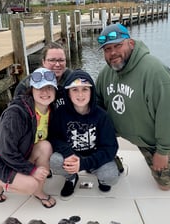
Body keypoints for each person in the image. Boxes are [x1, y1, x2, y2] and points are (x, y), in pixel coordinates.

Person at [96, 24, 170, 190]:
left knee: (165, 185)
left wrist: (163, 151)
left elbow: (168, 116)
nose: (113, 53)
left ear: (130, 43)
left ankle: (166, 155)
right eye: (107, 49)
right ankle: (110, 161)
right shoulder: (105, 74)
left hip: (154, 137)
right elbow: (98, 107)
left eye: (118, 45)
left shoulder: (155, 71)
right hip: (126, 129)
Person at [0, 67, 57, 208]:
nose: (45, 92)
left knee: (45, 146)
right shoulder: (16, 114)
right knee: (30, 185)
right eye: (39, 88)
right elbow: (6, 152)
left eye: (49, 87)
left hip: (17, 154)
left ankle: (38, 191)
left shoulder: (50, 109)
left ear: (56, 90)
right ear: (32, 90)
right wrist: (32, 170)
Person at [49, 69, 120, 199]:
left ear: (91, 91)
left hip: (94, 156)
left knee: (110, 177)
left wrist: (84, 163)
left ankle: (100, 177)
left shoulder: (102, 115)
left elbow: (110, 147)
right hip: (72, 155)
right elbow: (54, 137)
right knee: (54, 160)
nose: (80, 94)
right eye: (75, 89)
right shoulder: (60, 113)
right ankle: (71, 177)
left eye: (85, 89)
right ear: (68, 93)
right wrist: (68, 154)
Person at [14, 41, 72, 110]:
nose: (57, 64)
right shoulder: (28, 83)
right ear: (43, 62)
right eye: (52, 60)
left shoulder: (72, 79)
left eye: (61, 60)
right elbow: (16, 107)